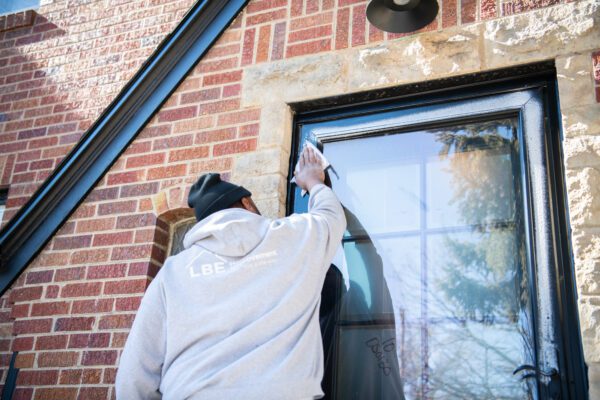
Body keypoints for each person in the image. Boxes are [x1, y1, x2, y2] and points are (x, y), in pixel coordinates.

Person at [115, 146, 346, 400]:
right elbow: (330, 215)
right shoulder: (293, 236)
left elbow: (133, 377)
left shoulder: (173, 272)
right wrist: (313, 180)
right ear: (246, 202)